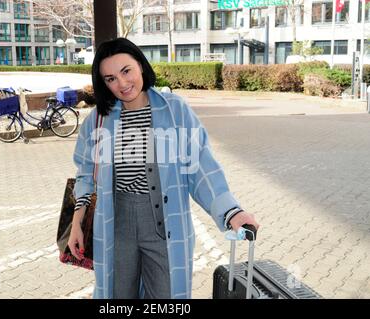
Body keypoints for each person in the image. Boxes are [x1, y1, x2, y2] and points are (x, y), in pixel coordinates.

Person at [68, 37, 259, 299]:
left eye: (126, 71)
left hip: (163, 223)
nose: (122, 84)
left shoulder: (175, 110)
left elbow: (201, 167)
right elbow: (86, 174)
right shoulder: (98, 120)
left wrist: (231, 211)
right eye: (110, 78)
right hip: (114, 224)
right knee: (118, 296)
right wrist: (77, 222)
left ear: (141, 66)